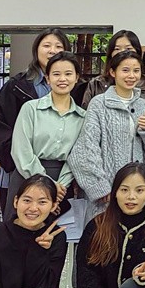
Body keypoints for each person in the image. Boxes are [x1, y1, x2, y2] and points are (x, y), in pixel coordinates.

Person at [70, 50, 145, 230]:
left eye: (136, 71)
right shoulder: (99, 103)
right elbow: (86, 148)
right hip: (107, 191)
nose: (131, 76)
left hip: (136, 191)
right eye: (125, 70)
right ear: (113, 72)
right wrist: (100, 187)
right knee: (103, 237)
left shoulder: (143, 105)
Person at [0, 28, 70, 210]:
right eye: (47, 46)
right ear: (36, 50)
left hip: (61, 176)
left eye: (58, 46)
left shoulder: (76, 89)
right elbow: (0, 128)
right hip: (19, 169)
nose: (52, 51)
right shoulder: (16, 86)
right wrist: (16, 164)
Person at [6, 51, 86, 221]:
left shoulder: (83, 117)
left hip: (62, 182)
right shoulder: (31, 109)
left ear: (76, 78)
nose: (62, 79)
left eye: (68, 74)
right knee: (19, 230)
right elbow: (21, 150)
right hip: (27, 176)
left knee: (55, 232)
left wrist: (59, 187)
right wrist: (48, 185)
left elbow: (78, 156)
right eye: (56, 74)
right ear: (48, 79)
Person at [81, 30, 145, 114]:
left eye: (128, 48)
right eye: (117, 49)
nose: (123, 52)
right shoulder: (97, 83)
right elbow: (86, 114)